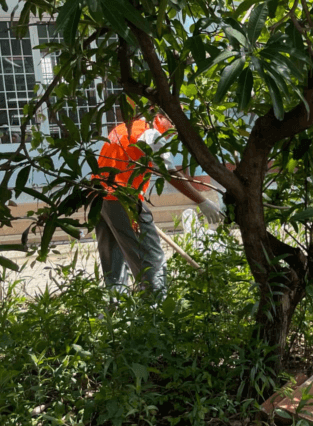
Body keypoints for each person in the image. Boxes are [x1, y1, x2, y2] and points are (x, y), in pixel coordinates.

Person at [92, 110, 225, 298]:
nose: (175, 128)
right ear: (159, 116)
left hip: (100, 199)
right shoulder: (150, 134)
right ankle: (156, 311)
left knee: (114, 268)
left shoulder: (124, 128)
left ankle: (114, 315)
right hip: (124, 201)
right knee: (151, 260)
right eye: (173, 120)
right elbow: (169, 173)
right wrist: (202, 201)